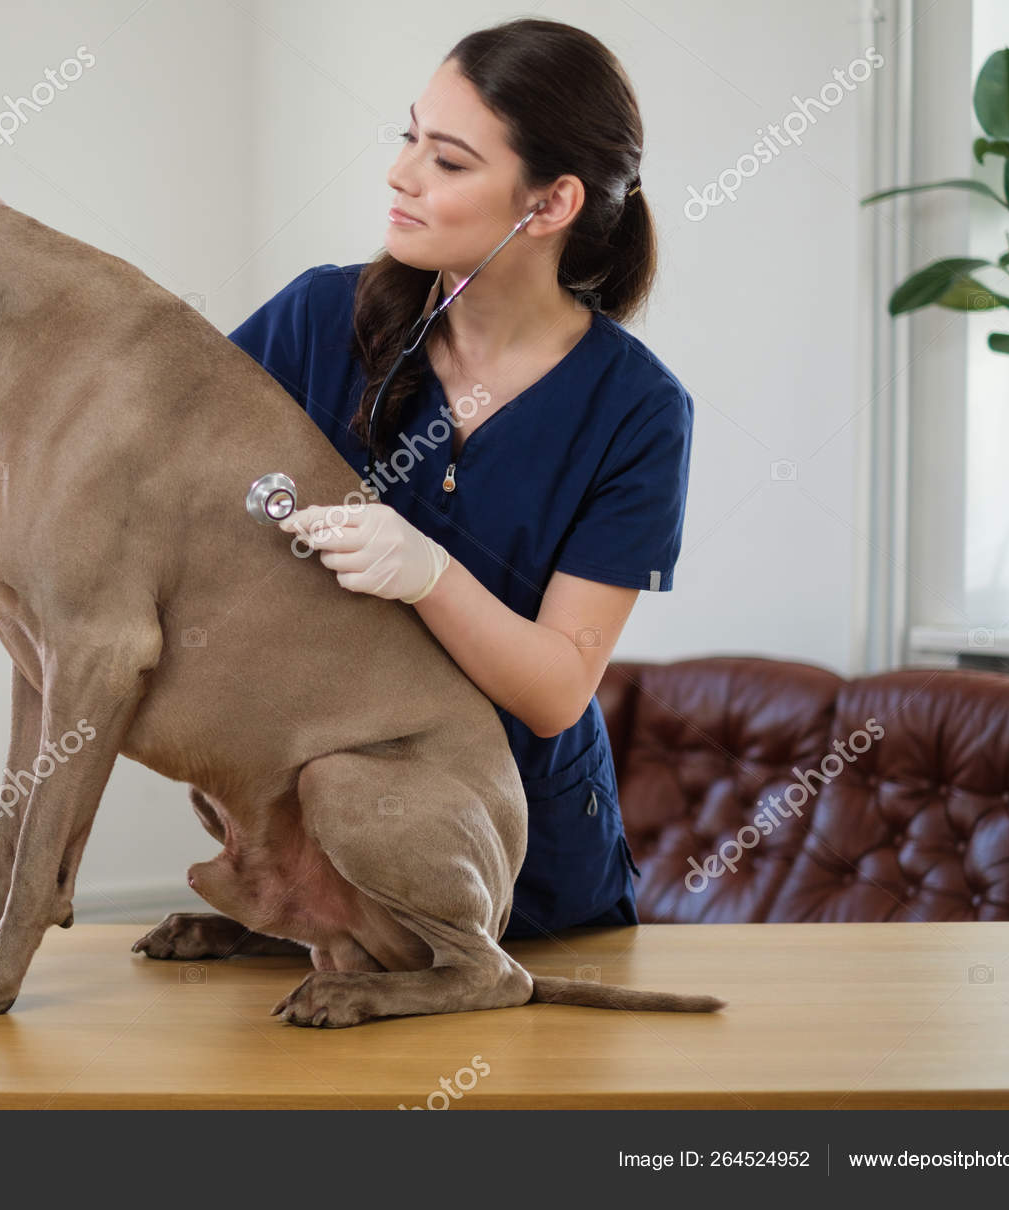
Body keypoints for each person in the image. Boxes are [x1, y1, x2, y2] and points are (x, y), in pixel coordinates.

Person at [226, 17, 693, 939]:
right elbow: (176, 455)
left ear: (550, 204)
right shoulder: (320, 320)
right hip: (323, 851)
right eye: (409, 138)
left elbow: (559, 687)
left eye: (447, 160)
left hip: (528, 869)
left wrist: (430, 575)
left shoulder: (635, 409)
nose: (401, 175)